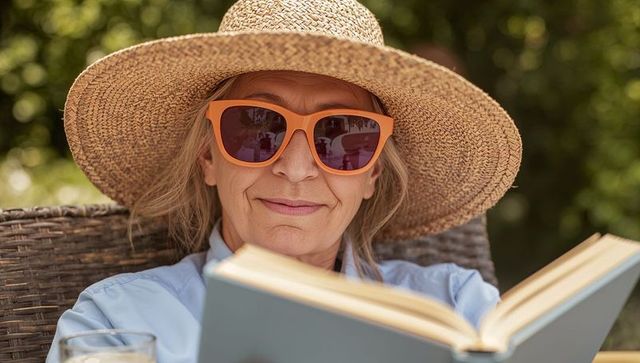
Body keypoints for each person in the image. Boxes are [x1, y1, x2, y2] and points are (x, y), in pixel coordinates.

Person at [46, 0, 522, 362]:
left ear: (373, 170)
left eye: (343, 135)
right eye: (256, 127)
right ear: (209, 156)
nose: (295, 169)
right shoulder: (117, 324)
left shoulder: (461, 307)